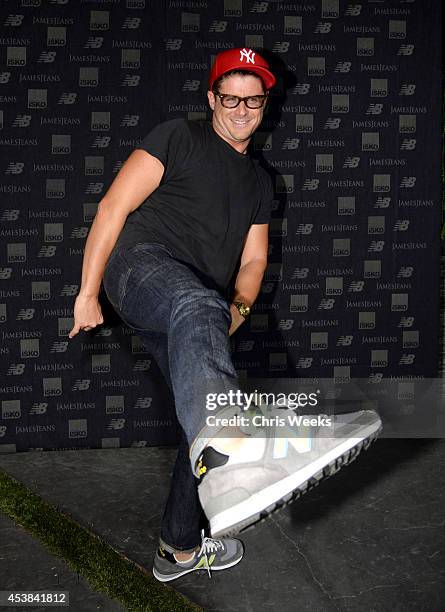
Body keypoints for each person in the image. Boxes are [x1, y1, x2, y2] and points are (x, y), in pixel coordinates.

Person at [68, 48, 382, 582]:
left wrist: (234, 309)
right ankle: (234, 452)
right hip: (141, 268)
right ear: (212, 99)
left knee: (209, 408)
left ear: (265, 104)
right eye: (230, 98)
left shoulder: (261, 182)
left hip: (199, 307)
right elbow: (112, 208)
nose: (241, 109)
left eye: (252, 100)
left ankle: (179, 546)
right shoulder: (178, 136)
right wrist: (87, 292)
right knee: (217, 401)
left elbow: (255, 259)